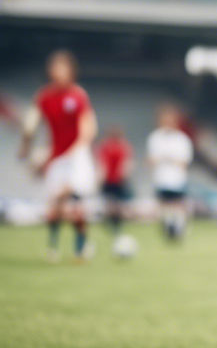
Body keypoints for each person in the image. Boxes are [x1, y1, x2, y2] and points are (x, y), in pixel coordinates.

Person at [18, 50, 98, 263]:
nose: (57, 71)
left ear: (71, 71)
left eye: (61, 67)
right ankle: (53, 248)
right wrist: (26, 148)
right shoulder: (44, 96)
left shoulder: (78, 95)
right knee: (55, 208)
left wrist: (74, 151)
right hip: (56, 158)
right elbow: (30, 126)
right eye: (54, 67)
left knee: (74, 205)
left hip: (76, 157)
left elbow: (88, 128)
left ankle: (81, 248)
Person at [147, 104, 193, 241]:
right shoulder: (155, 138)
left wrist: (169, 158)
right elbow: (151, 160)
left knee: (178, 206)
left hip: (177, 179)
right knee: (164, 207)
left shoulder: (182, 139)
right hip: (161, 179)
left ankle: (178, 230)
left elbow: (184, 162)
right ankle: (167, 231)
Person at [97, 126, 133, 238]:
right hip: (113, 180)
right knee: (113, 205)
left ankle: (115, 226)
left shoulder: (118, 147)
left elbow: (125, 164)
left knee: (114, 205)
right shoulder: (115, 147)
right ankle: (114, 226)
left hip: (115, 180)